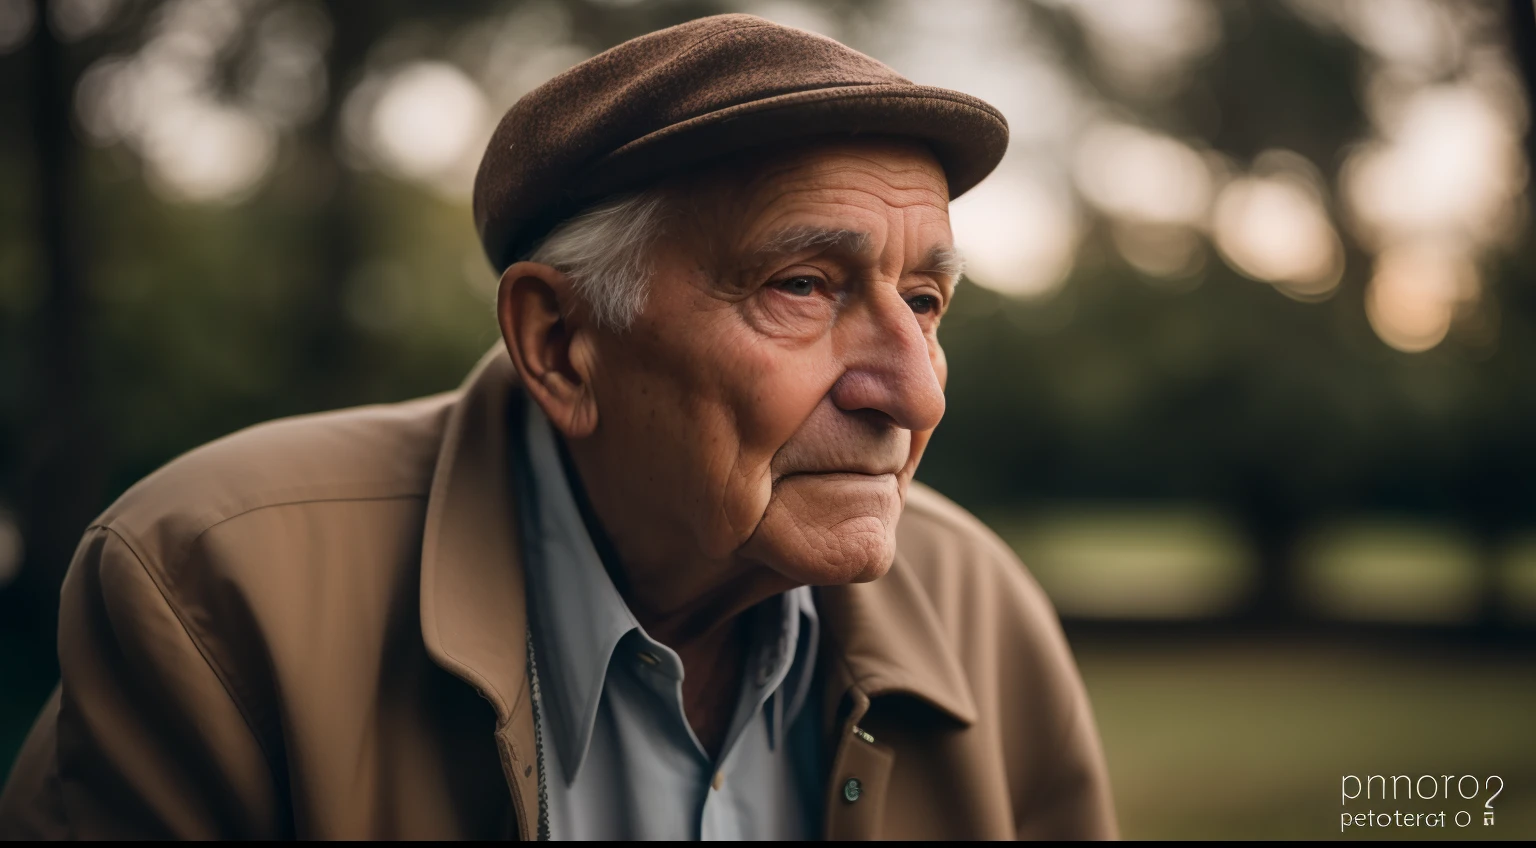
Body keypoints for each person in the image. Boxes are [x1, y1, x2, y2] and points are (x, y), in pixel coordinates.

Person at [0, 14, 1116, 840]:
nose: (913, 391)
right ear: (561, 343)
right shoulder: (215, 590)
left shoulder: (985, 612)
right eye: (804, 285)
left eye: (924, 303)